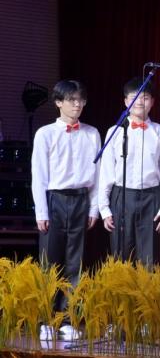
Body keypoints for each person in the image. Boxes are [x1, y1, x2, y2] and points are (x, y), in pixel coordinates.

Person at [32, 80, 99, 340]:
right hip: (55, 200)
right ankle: (46, 319)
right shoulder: (45, 133)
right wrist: (41, 212)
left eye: (81, 100)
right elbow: (38, 175)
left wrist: (94, 208)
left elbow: (97, 174)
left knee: (75, 263)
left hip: (81, 199)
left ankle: (68, 319)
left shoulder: (92, 133)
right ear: (59, 102)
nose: (77, 104)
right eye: (71, 99)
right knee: (50, 263)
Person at [98, 77, 160, 265]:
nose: (139, 102)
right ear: (126, 101)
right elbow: (106, 173)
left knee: (149, 258)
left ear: (152, 102)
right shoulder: (114, 131)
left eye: (145, 97)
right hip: (122, 196)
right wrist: (104, 209)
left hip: (151, 198)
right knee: (120, 257)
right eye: (134, 97)